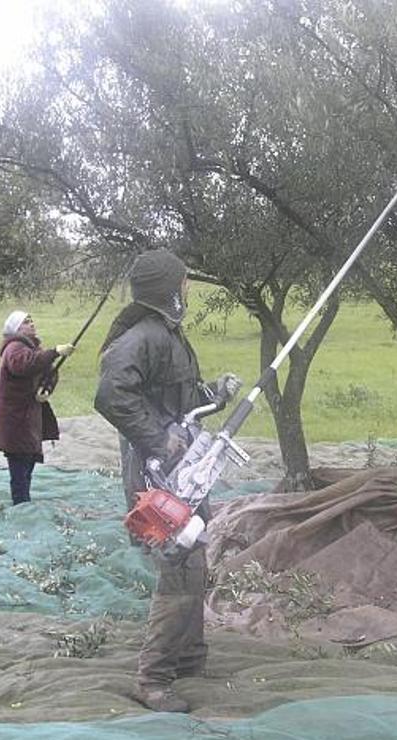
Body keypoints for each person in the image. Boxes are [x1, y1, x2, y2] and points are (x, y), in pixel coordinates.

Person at [94, 248, 241, 713]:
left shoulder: (168, 337)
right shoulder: (143, 337)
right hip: (159, 477)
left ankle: (190, 659)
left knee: (193, 560)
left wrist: (213, 393)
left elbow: (175, 394)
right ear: (169, 290)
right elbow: (111, 395)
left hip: (184, 472)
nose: (189, 289)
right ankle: (153, 679)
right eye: (184, 282)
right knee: (178, 569)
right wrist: (160, 440)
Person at [0, 311, 74, 504]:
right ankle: (21, 504)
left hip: (27, 416)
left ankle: (23, 501)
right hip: (13, 418)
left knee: (27, 459)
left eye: (31, 320)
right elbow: (25, 365)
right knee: (20, 464)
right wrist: (55, 352)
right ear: (16, 329)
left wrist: (47, 388)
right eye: (26, 322)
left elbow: (50, 372)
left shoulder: (32, 348)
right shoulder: (14, 348)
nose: (31, 324)